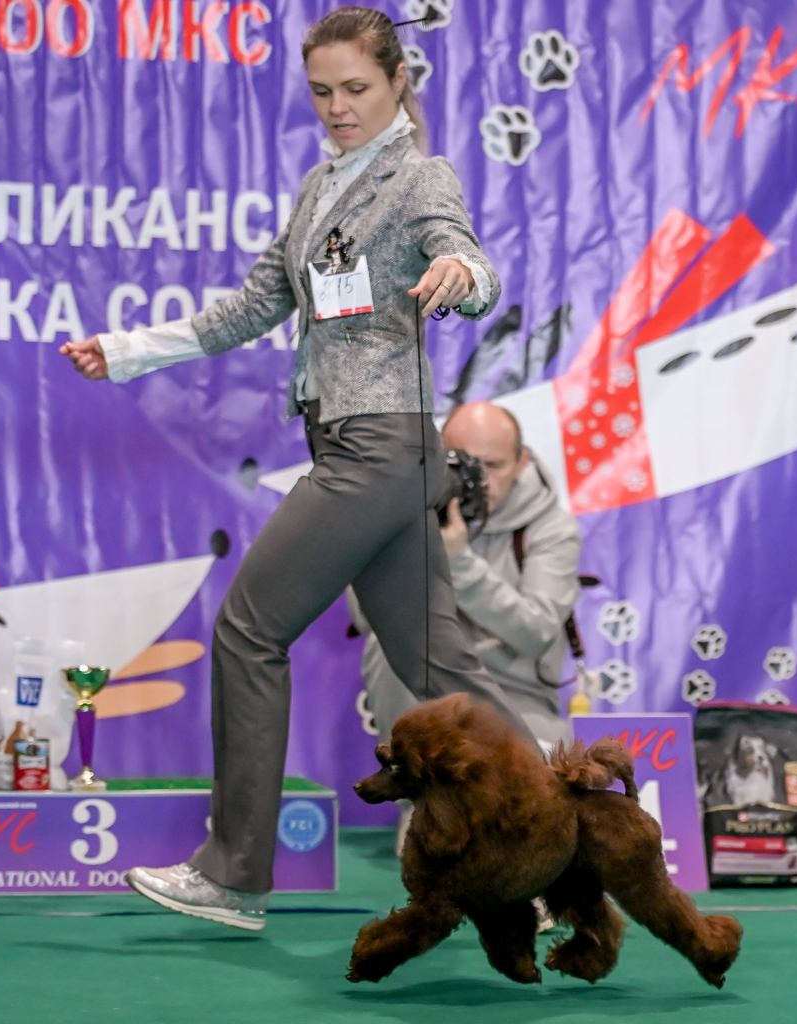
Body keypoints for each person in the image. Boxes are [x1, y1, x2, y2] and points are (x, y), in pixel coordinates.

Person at [59, 6, 534, 932]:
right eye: (321, 91)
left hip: (376, 447)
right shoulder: (320, 187)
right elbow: (251, 306)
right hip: (368, 449)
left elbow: (466, 257)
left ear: (399, 80)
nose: (338, 107)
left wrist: (460, 278)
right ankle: (559, 848)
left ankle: (235, 873)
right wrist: (124, 350)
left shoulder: (419, 174)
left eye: (356, 88)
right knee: (449, 677)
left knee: (247, 629)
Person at [352, 401, 582, 752]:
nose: (479, 479)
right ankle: (417, 797)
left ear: (522, 462)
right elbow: (369, 620)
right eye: (464, 462)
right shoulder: (411, 509)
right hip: (426, 691)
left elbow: (537, 633)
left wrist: (458, 561)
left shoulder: (550, 526)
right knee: (388, 642)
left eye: (493, 465)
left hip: (515, 698)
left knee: (543, 789)